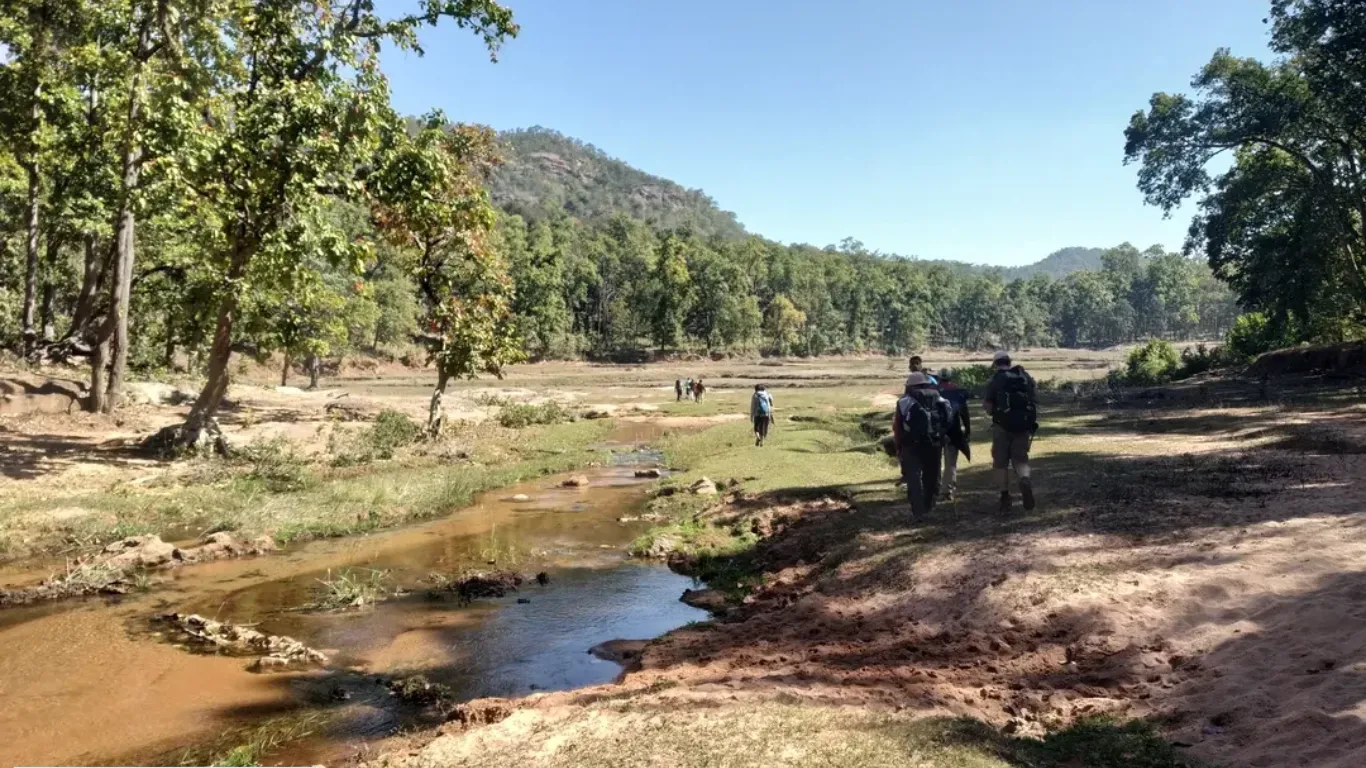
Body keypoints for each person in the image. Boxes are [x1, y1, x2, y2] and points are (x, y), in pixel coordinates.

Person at [893, 372, 954, 518]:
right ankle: (929, 506)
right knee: (932, 475)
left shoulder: (904, 401)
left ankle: (918, 511)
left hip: (911, 443)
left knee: (913, 477)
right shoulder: (940, 398)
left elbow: (898, 426)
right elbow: (948, 419)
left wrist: (899, 445)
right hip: (934, 442)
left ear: (910, 386)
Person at [983, 350, 1038, 512]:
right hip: (1023, 426)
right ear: (1009, 361)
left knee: (1000, 462)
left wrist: (996, 412)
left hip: (1002, 426)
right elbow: (1034, 398)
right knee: (1021, 459)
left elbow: (988, 406)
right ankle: (1024, 479)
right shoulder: (1024, 377)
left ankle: (1005, 496)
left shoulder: (995, 380)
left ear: (995, 364)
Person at [937, 369, 972, 501]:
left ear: (939, 378)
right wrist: (968, 429)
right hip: (953, 431)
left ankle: (933, 488)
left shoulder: (933, 391)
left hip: (936, 432)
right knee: (950, 462)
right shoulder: (957, 392)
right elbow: (964, 412)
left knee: (934, 461)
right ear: (950, 378)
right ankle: (947, 490)